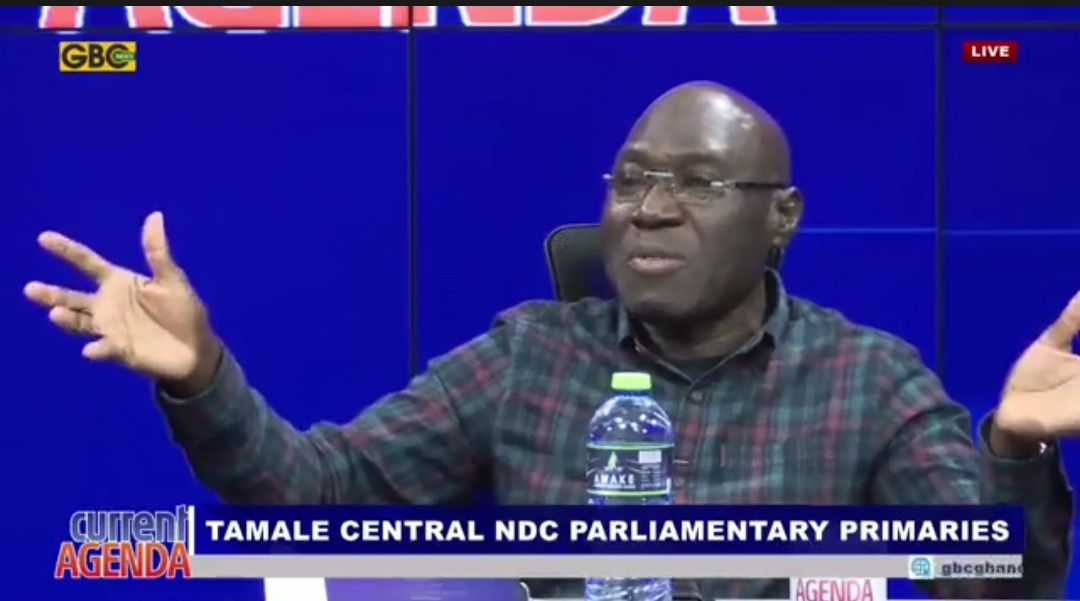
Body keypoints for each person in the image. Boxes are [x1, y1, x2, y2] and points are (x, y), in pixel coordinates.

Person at [24, 82, 1074, 599]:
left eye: (697, 184)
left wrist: (1016, 449)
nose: (650, 208)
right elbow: (319, 494)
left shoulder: (869, 378)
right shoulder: (531, 356)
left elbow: (988, 585)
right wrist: (203, 376)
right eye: (632, 180)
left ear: (781, 219)